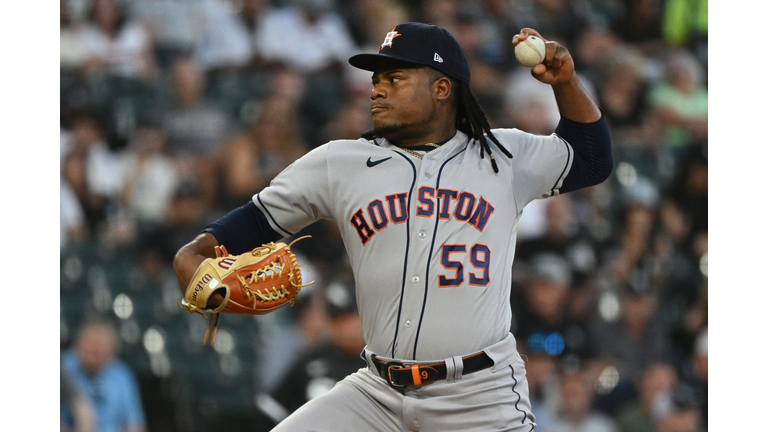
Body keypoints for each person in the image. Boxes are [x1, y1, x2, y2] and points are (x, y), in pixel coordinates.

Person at [174, 22, 612, 431]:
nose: (377, 90)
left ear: (442, 88)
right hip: (377, 391)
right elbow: (253, 221)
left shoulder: (502, 156)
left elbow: (592, 158)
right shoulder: (339, 163)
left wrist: (566, 84)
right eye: (376, 80)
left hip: (479, 394)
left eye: (395, 79)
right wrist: (195, 252)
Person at [61, 319, 147, 432]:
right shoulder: (63, 369)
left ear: (111, 351)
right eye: (90, 346)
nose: (94, 352)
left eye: (100, 348)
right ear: (78, 345)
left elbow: (133, 423)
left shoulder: (121, 375)